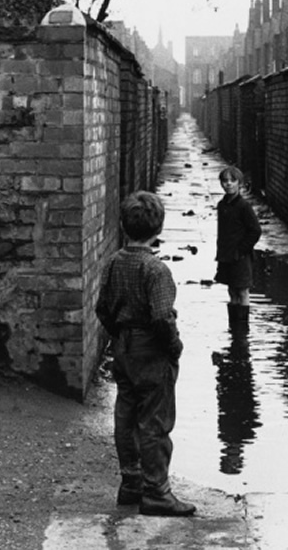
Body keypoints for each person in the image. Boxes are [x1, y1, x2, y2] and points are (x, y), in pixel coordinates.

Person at [95, 190, 196, 517]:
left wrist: (118, 335)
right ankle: (157, 492)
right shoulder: (156, 270)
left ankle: (131, 483)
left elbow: (102, 308)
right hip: (151, 350)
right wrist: (174, 347)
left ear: (124, 226)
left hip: (122, 346)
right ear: (158, 229)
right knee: (155, 422)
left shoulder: (113, 263)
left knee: (126, 414)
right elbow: (162, 317)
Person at [214, 166, 262, 330]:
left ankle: (242, 329)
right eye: (225, 181)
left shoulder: (243, 206)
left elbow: (255, 231)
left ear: (239, 183)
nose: (228, 184)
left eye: (232, 181)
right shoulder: (222, 205)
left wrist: (241, 250)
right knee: (232, 290)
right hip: (227, 256)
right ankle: (234, 326)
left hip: (240, 257)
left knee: (242, 291)